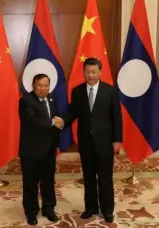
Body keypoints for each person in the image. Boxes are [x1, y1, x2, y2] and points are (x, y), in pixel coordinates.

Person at [61, 57, 122, 223]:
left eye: (94, 71)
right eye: (87, 71)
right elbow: (72, 113)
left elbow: (117, 117)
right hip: (86, 141)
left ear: (100, 72)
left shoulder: (110, 91)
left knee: (105, 177)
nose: (91, 75)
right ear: (84, 72)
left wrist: (117, 140)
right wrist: (61, 122)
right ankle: (91, 207)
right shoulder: (77, 91)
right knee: (88, 177)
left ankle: (107, 209)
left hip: (105, 141)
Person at [19, 73, 64, 226]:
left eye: (46, 85)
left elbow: (55, 119)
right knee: (30, 182)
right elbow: (32, 121)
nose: (43, 89)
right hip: (31, 150)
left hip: (49, 148)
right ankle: (31, 212)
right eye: (39, 85)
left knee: (48, 181)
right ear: (33, 86)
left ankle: (48, 208)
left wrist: (59, 123)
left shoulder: (51, 99)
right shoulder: (26, 100)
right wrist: (52, 122)